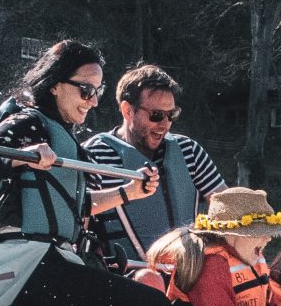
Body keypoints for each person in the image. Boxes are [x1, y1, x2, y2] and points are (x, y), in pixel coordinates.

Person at [0, 39, 171, 306]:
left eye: (96, 92)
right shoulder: (28, 122)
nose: (93, 101)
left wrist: (130, 192)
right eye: (86, 91)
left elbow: (72, 207)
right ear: (55, 85)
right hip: (25, 261)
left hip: (54, 258)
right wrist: (22, 159)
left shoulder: (61, 133)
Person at [82, 63, 228, 270]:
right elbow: (79, 212)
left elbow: (226, 205)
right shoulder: (93, 155)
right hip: (125, 278)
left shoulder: (190, 151)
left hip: (187, 275)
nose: (165, 124)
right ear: (127, 110)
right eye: (157, 115)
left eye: (172, 115)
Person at [144, 187, 281, 306]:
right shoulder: (208, 264)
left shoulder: (251, 257)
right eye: (260, 232)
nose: (268, 238)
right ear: (231, 234)